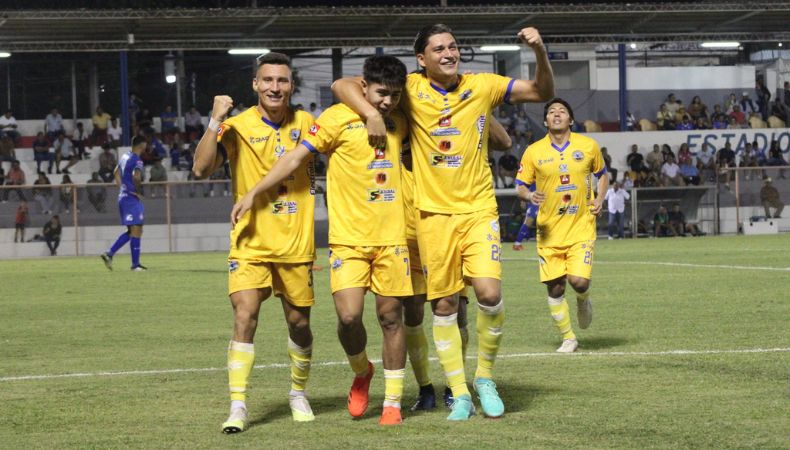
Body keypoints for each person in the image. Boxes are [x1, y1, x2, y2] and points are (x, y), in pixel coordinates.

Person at [332, 23, 554, 421]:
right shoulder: (410, 90)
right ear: (421, 59)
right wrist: (370, 114)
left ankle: (484, 378)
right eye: (438, 49)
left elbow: (541, 92)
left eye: (453, 46)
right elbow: (343, 84)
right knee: (444, 305)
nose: (449, 53)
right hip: (431, 216)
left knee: (488, 294)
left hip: (479, 209)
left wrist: (539, 51)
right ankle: (459, 393)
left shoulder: (482, 85)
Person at [231, 55, 411, 426]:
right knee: (349, 317)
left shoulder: (402, 119)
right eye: (381, 93)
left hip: (393, 236)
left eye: (394, 95)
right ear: (364, 87)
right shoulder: (334, 119)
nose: (387, 102)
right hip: (347, 239)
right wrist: (254, 192)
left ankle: (392, 403)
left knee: (391, 317)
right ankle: (361, 370)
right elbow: (294, 158)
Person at [192, 52, 317, 433]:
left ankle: (297, 393)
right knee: (245, 315)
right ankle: (238, 405)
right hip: (250, 242)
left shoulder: (308, 124)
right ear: (255, 84)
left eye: (282, 80)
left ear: (291, 85)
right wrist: (215, 120)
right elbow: (200, 168)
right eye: (268, 80)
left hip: (296, 242)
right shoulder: (238, 126)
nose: (274, 87)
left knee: (299, 323)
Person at [516, 98, 608, 353]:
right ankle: (568, 338)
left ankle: (583, 299)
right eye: (552, 112)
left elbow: (602, 175)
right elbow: (520, 185)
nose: (557, 114)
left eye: (562, 111)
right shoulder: (533, 151)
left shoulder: (588, 146)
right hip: (548, 230)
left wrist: (599, 199)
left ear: (571, 119)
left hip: (581, 225)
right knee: (555, 287)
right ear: (545, 121)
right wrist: (528, 195)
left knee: (579, 281)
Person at [100, 135, 147, 271]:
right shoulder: (137, 160)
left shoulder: (125, 156)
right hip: (131, 199)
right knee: (136, 229)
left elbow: (116, 172)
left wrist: (122, 188)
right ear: (141, 145)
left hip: (124, 197)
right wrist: (138, 192)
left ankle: (109, 254)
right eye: (145, 144)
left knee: (133, 230)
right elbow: (136, 177)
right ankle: (135, 265)